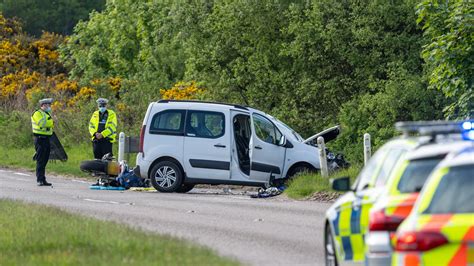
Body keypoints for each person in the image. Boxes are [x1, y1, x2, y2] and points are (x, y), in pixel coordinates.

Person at [31, 98, 54, 186]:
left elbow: (48, 124)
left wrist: (50, 122)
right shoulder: (37, 113)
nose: (49, 107)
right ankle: (39, 179)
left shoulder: (46, 114)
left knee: (45, 159)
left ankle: (43, 179)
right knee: (40, 160)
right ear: (43, 105)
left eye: (49, 105)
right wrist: (51, 122)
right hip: (39, 139)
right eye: (47, 105)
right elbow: (42, 123)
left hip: (46, 139)